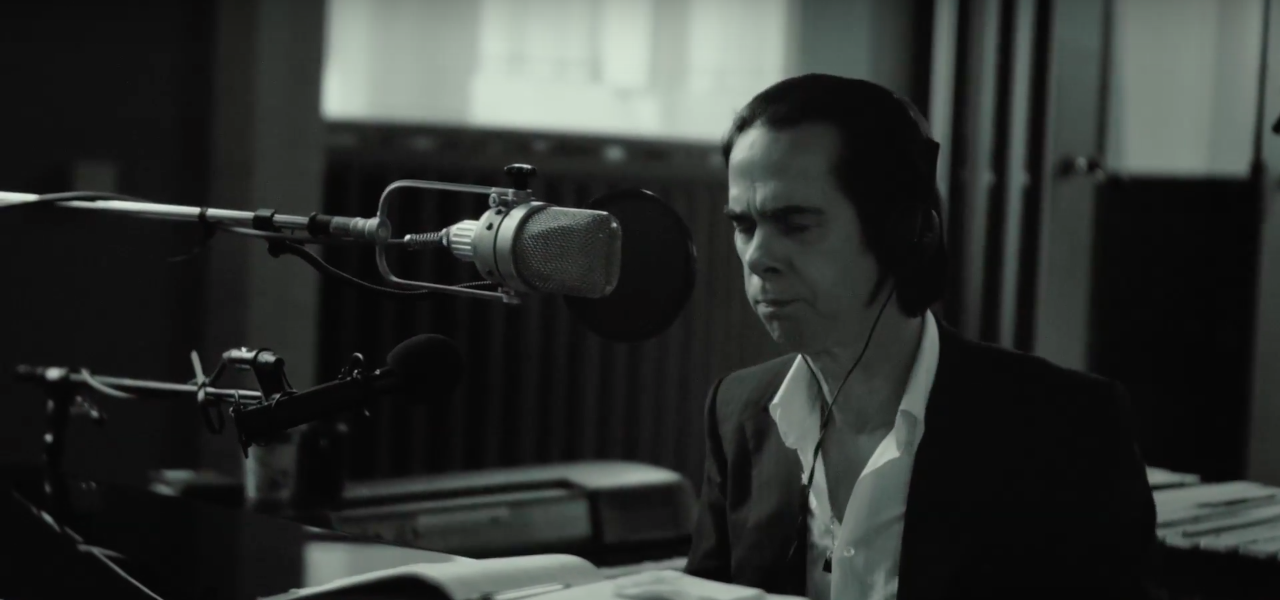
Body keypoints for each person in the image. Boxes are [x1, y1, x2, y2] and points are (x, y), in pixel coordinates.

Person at [679, 74, 1157, 599]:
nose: (757, 257)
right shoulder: (737, 412)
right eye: (744, 226)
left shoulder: (1068, 428)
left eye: (795, 224)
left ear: (899, 229)